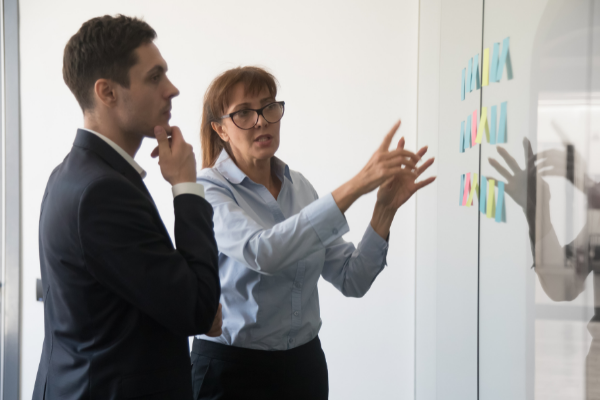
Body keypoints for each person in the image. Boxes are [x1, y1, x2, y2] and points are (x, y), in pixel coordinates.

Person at [190, 66, 435, 399]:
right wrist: (357, 184)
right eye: (243, 113)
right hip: (232, 372)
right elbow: (264, 252)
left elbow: (353, 279)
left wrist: (384, 209)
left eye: (268, 107)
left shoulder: (299, 186)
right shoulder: (209, 189)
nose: (261, 121)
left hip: (303, 369)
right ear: (220, 129)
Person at [33, 15, 222, 400]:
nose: (173, 89)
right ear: (107, 92)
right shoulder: (103, 192)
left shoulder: (73, 174)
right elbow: (199, 312)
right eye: (155, 78)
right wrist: (186, 185)